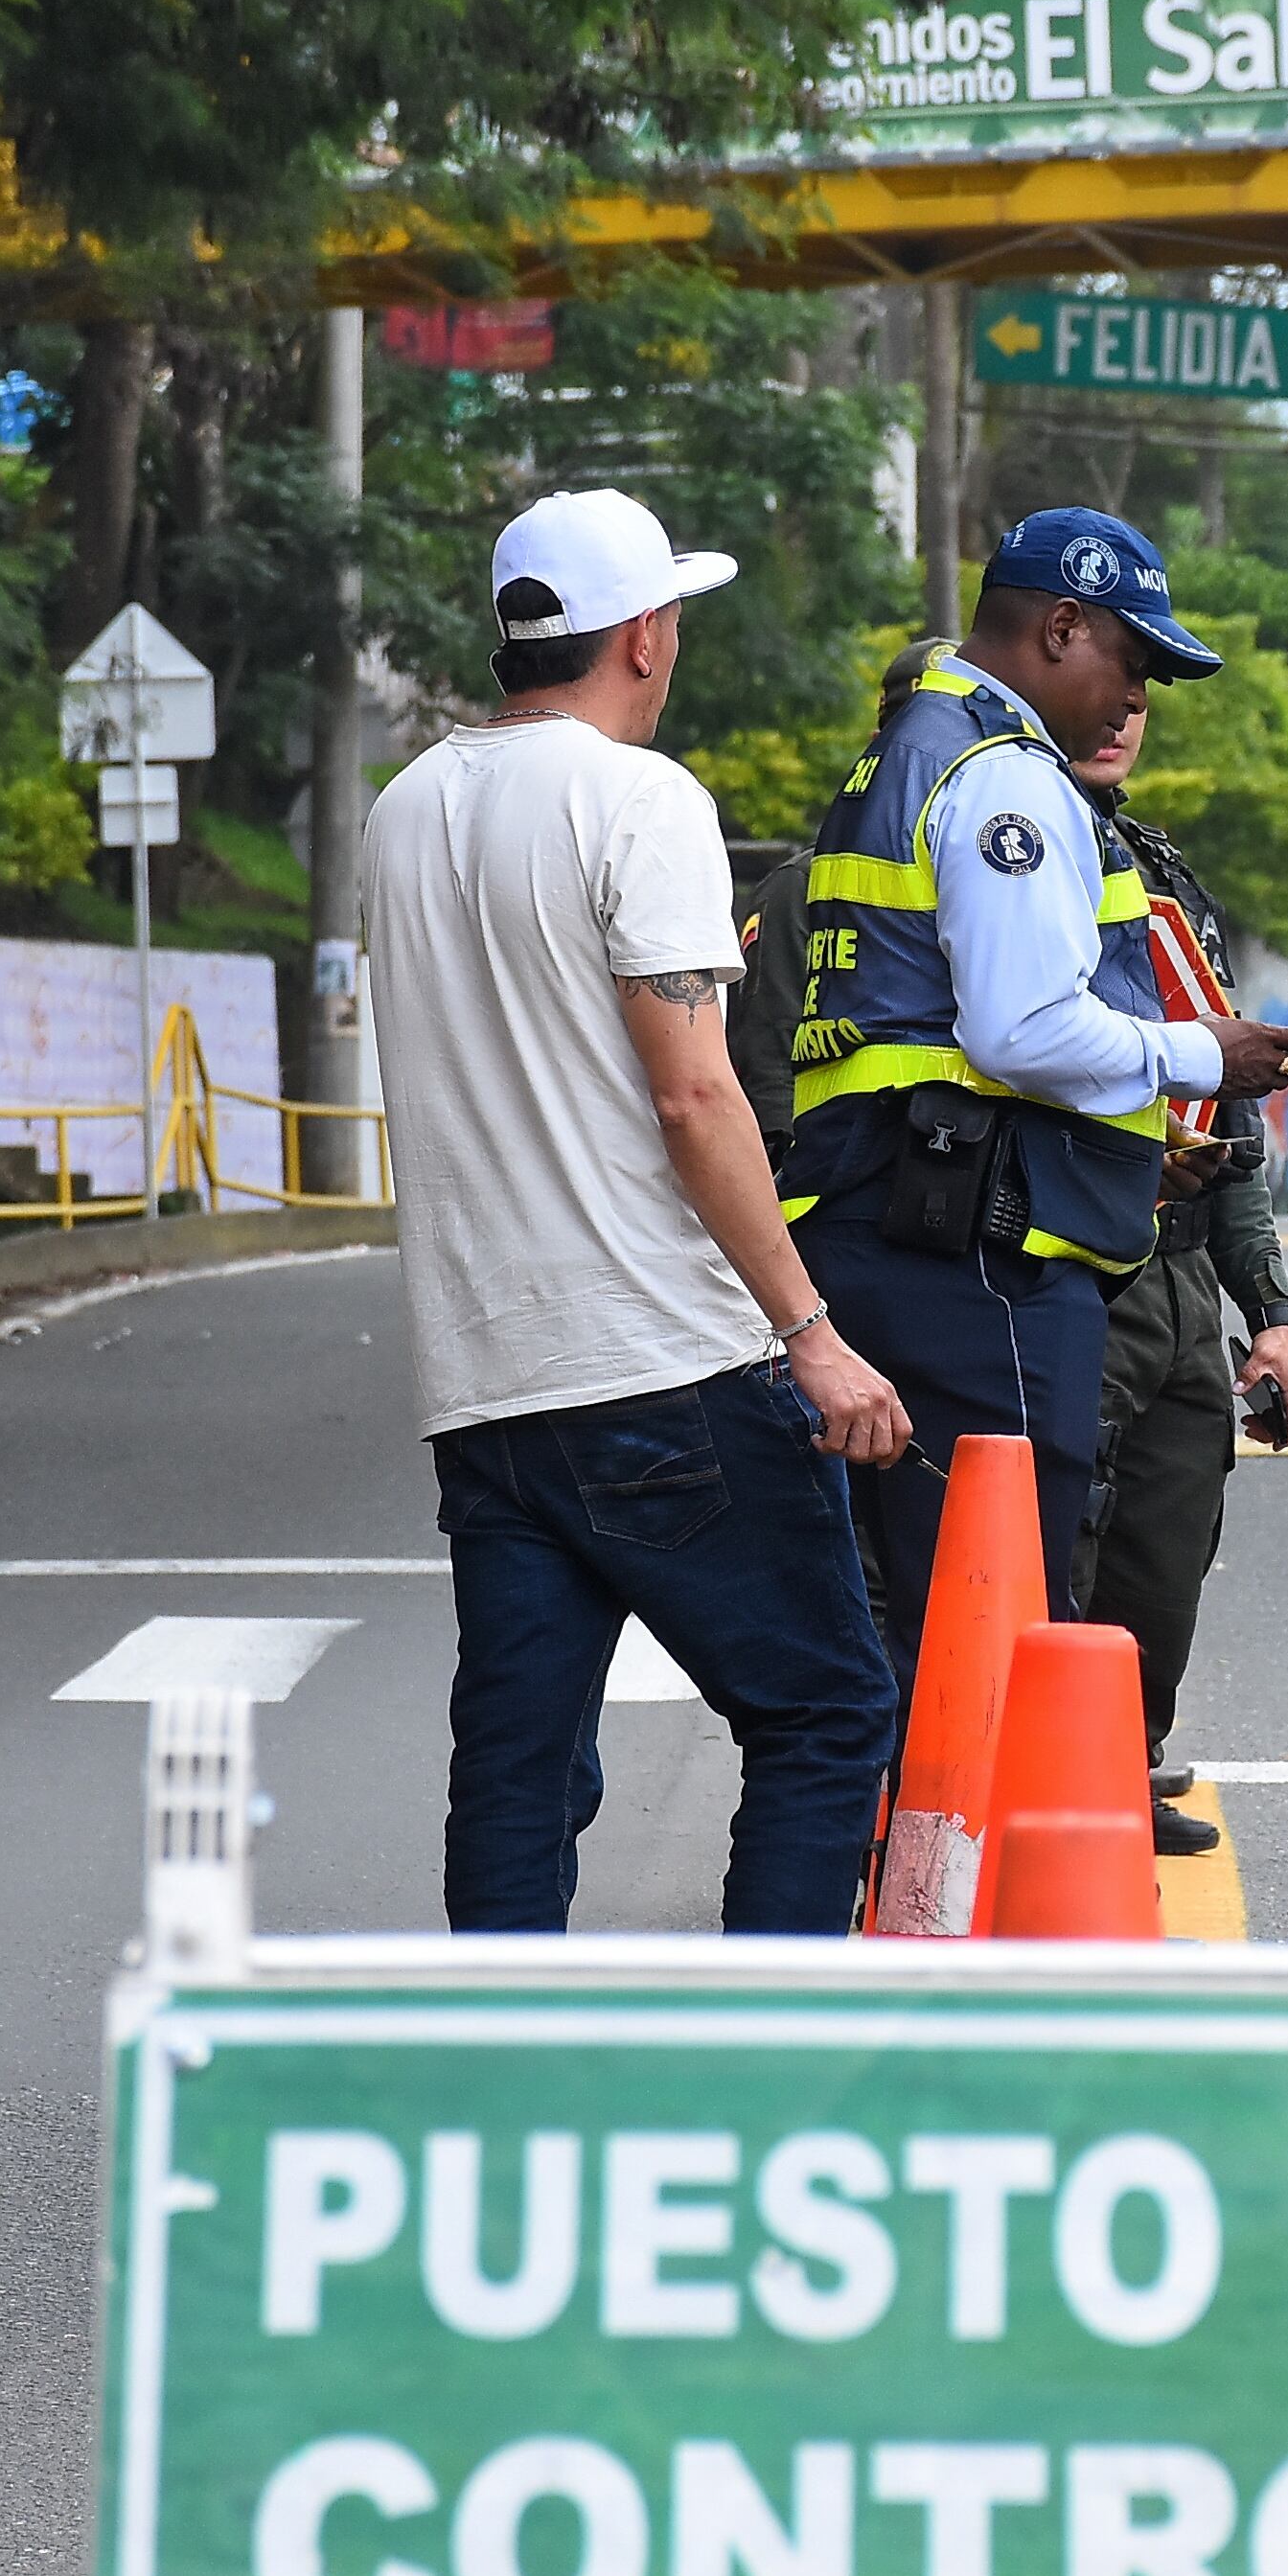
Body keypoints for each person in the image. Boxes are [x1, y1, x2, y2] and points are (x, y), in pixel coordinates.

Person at [359, 487, 910, 1938]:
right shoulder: (638, 799)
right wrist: (811, 1333)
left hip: (486, 1382)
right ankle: (758, 2044)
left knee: (519, 1765)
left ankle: (505, 2051)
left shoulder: (401, 812)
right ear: (646, 636)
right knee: (824, 1710)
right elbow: (695, 1096)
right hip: (662, 1364)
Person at [776, 507, 1288, 1693]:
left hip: (897, 1218)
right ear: (1062, 627)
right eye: (1130, 663)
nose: (1133, 698)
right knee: (999, 1599)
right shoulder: (1005, 778)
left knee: (924, 1605)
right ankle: (980, 1820)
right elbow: (1020, 1028)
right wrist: (1205, 1055)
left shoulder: (911, 750)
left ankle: (918, 1814)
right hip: (976, 1250)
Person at [1061, 678, 1288, 1855]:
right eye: (1101, 694)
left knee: (1165, 1545)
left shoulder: (1161, 873)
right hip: (1068, 1266)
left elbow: (1229, 1123)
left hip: (1181, 1280)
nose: (1120, 721)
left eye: (1139, 703)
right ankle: (1042, 1791)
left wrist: (1275, 1312)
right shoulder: (1008, 859)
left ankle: (1119, 1769)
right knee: (1060, 1543)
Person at [730, 634, 950, 1161]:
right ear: (879, 748)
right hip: (832, 1178)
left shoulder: (1007, 885)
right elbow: (768, 1073)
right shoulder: (801, 886)